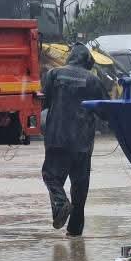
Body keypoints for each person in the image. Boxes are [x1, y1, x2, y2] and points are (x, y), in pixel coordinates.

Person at [41, 43, 108, 237]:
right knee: (80, 187)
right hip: (82, 143)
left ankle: (61, 203)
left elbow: (43, 102)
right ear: (87, 62)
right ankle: (75, 231)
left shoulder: (54, 75)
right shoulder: (93, 80)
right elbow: (105, 111)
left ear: (70, 57)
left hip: (57, 139)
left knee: (51, 177)